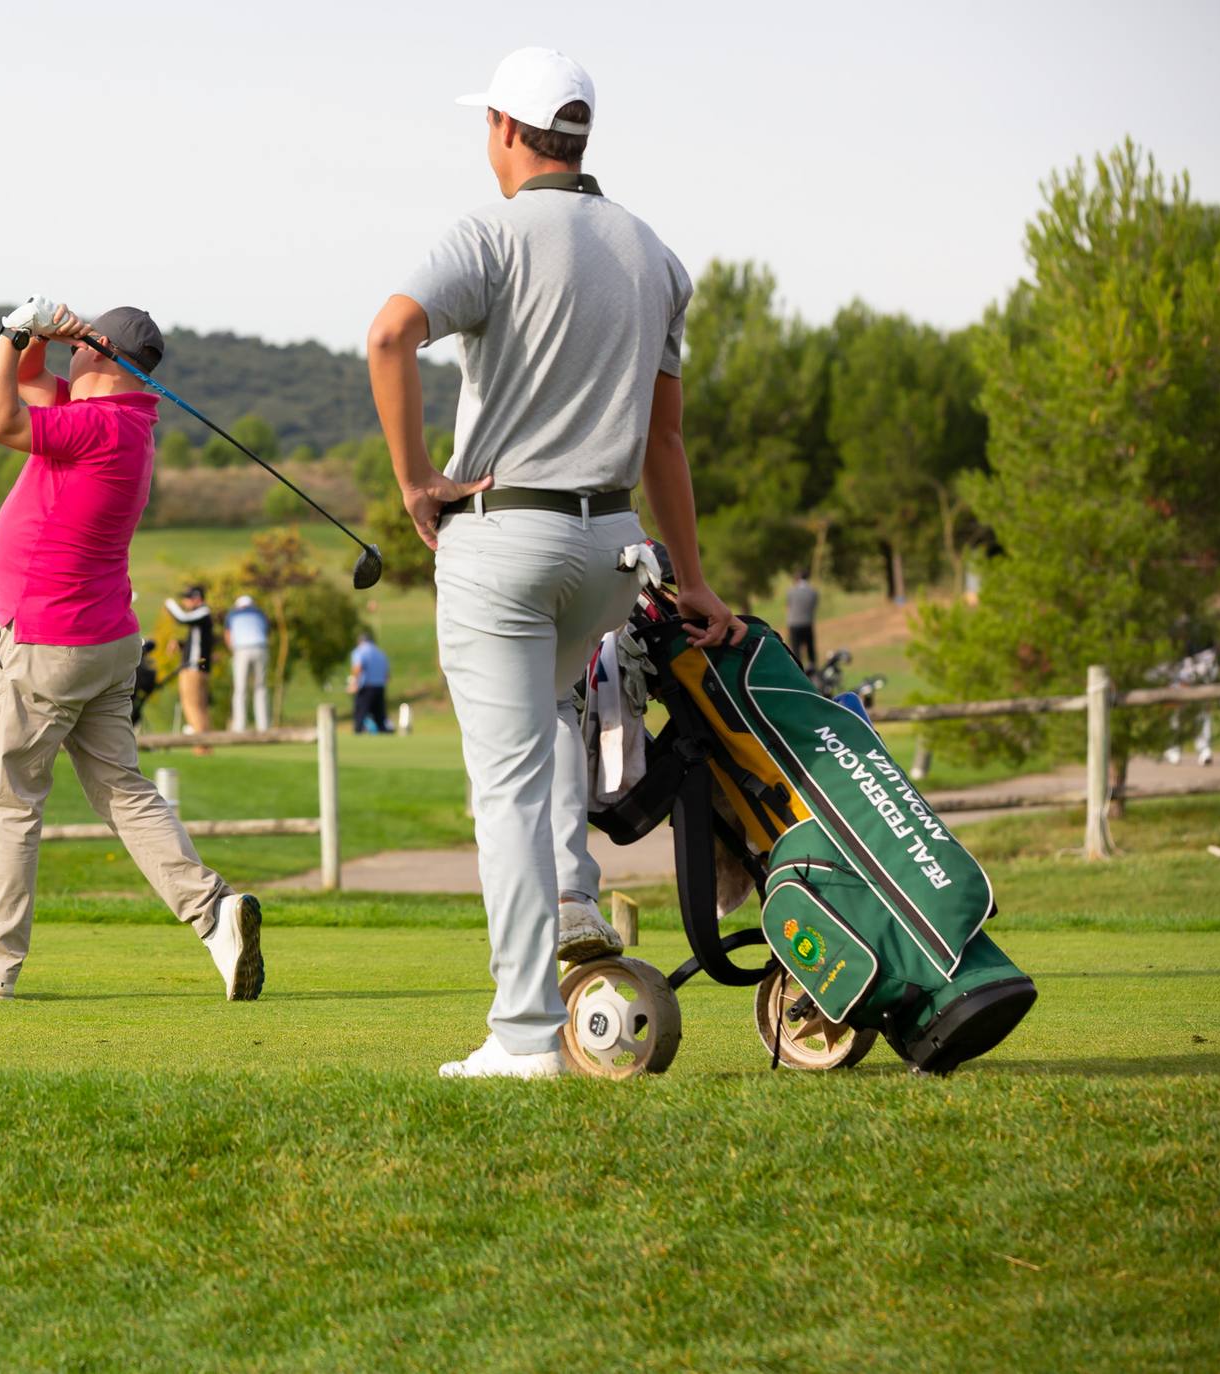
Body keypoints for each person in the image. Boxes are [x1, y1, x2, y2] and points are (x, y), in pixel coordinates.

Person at [366, 47, 743, 1079]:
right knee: (548, 733)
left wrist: (415, 479)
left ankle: (525, 1034)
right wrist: (695, 580)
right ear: (578, 135)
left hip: (507, 539)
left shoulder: (490, 231)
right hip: (612, 550)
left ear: (503, 129)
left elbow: (391, 336)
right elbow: (666, 442)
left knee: (509, 787)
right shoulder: (654, 253)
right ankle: (573, 892)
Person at [0, 297, 264, 1002]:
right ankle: (214, 912)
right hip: (103, 643)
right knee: (125, 793)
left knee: (14, 803)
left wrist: (13, 332)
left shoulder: (94, 424)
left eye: (81, 346)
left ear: (97, 355)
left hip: (44, 640)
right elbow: (35, 386)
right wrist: (40, 337)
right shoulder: (124, 419)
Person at [163, 584, 215, 751]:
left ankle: (201, 746)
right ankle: (205, 746)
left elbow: (182, 618)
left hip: (194, 668)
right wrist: (180, 644)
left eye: (187, 598)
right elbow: (198, 641)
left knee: (192, 706)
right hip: (198, 667)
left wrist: (169, 604)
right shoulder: (201, 617)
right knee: (199, 707)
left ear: (196, 598)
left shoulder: (203, 611)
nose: (184, 602)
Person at [224, 594, 272, 731]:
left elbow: (228, 635)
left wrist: (232, 650)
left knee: (240, 689)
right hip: (260, 648)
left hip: (241, 650)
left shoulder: (232, 614)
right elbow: (267, 631)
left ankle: (240, 726)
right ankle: (263, 726)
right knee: (260, 687)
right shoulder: (260, 613)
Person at [348, 630, 392, 733]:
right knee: (380, 717)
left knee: (360, 714)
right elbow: (387, 675)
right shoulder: (381, 653)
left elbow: (358, 667)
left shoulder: (360, 651)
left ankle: (357, 733)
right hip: (380, 687)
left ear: (360, 641)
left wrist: (353, 683)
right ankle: (384, 735)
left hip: (366, 688)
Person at [785, 569, 819, 670]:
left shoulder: (791, 591)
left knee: (796, 650)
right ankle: (812, 668)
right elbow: (813, 607)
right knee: (810, 648)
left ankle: (798, 670)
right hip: (807, 623)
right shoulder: (813, 592)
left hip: (794, 624)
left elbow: (788, 607)